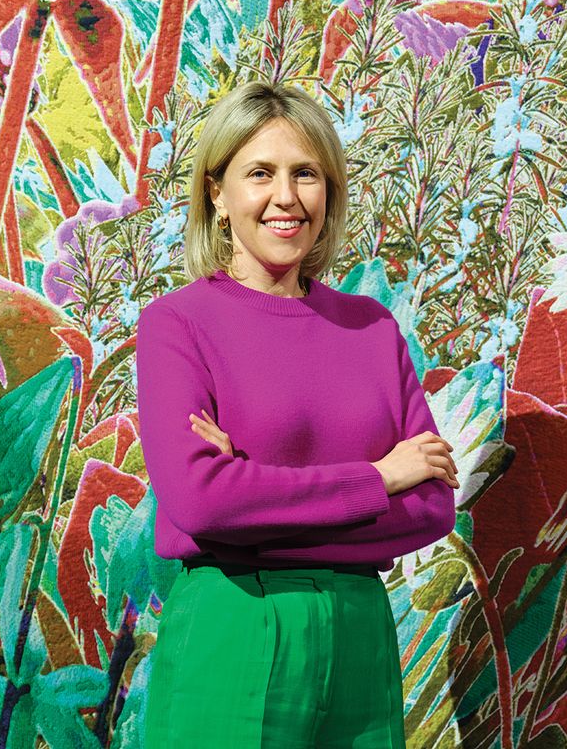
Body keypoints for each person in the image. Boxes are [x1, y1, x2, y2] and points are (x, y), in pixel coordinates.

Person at [136, 81, 459, 747]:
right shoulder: (178, 324)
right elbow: (200, 501)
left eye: (305, 174)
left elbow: (431, 507)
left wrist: (250, 499)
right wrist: (378, 479)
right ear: (217, 194)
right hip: (236, 622)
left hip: (361, 637)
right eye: (260, 173)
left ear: (328, 191)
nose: (286, 197)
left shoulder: (371, 327)